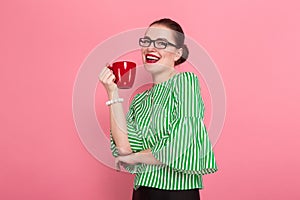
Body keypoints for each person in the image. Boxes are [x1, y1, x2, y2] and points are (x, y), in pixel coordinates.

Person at [99, 18, 218, 200]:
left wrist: (135, 158)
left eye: (161, 43)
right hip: (142, 192)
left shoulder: (185, 83)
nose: (150, 48)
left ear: (177, 53)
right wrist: (112, 93)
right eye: (146, 41)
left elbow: (179, 146)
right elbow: (124, 148)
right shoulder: (140, 101)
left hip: (176, 194)